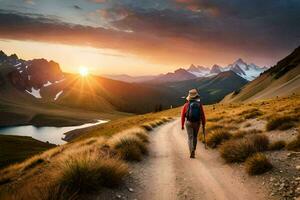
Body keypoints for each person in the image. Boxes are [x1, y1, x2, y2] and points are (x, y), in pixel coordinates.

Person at [181, 89, 206, 158]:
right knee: (195, 137)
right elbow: (202, 115)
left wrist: (182, 125)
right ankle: (194, 150)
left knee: (190, 137)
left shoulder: (186, 105)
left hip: (188, 122)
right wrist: (203, 123)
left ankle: (191, 150)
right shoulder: (199, 105)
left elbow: (182, 116)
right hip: (197, 123)